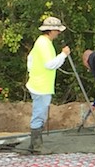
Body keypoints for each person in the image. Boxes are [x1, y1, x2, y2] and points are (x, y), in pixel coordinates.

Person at [25, 16, 70, 154]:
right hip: (41, 86)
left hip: (40, 83)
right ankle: (36, 146)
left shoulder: (42, 42)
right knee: (39, 114)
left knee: (40, 113)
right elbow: (50, 65)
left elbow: (30, 60)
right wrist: (63, 55)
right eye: (57, 30)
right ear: (50, 30)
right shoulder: (44, 44)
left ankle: (36, 145)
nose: (58, 33)